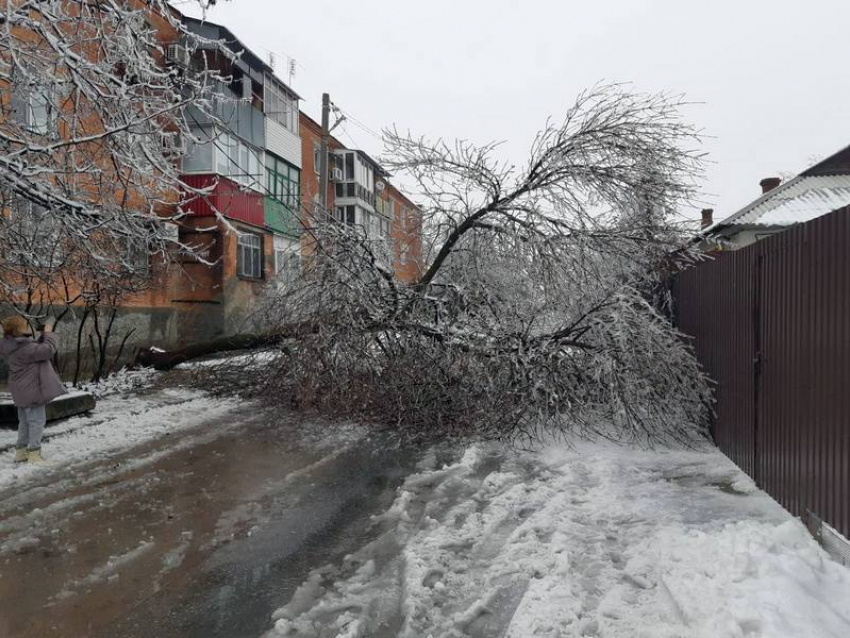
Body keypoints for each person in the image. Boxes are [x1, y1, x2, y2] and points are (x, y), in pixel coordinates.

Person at [0, 316, 66, 463]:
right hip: (31, 390)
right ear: (19, 330)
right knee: (37, 421)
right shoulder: (25, 347)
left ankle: (21, 452)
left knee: (24, 422)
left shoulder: (9, 345)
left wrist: (42, 337)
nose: (27, 327)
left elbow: (35, 350)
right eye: (24, 326)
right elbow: (48, 350)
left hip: (19, 390)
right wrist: (48, 334)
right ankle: (34, 454)